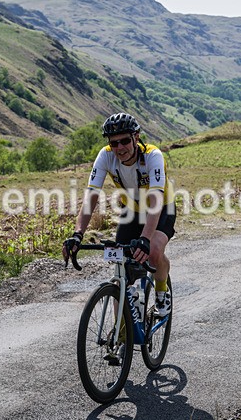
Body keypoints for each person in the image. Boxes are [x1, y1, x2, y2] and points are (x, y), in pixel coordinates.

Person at [62, 113, 176, 317]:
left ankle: (161, 291)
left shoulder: (153, 156)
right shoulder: (105, 156)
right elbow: (91, 196)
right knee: (122, 268)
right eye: (114, 143)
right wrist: (78, 234)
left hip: (161, 207)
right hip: (131, 210)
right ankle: (121, 335)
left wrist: (145, 239)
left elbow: (156, 200)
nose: (120, 148)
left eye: (125, 141)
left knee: (153, 251)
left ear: (136, 137)